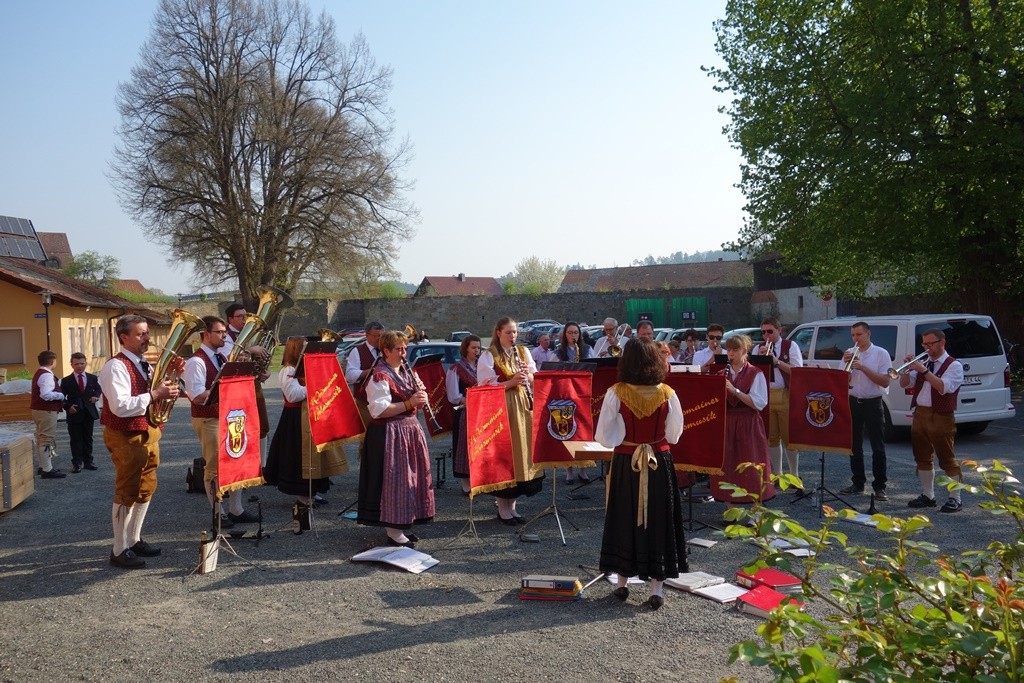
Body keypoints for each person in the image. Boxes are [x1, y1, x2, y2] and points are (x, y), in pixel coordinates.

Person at [596, 337, 687, 610]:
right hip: (659, 462)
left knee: (624, 517)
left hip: (627, 462)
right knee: (659, 519)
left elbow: (604, 437)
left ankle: (622, 583)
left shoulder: (616, 392)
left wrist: (625, 440)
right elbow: (674, 434)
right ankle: (656, 588)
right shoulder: (668, 393)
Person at [99, 314, 179, 568]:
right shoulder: (116, 366)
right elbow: (121, 406)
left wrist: (174, 378)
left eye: (147, 333)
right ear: (124, 337)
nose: (147, 338)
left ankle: (133, 539)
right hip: (125, 434)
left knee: (147, 486)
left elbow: (156, 396)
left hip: (148, 431)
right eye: (141, 334)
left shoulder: (143, 363)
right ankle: (119, 548)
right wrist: (155, 393)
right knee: (127, 489)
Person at [357, 330, 435, 547]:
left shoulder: (407, 372)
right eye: (399, 349)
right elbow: (378, 410)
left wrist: (422, 396)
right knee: (395, 482)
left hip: (409, 431)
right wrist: (409, 403)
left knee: (411, 480)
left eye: (405, 348)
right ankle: (393, 531)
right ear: (386, 351)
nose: (403, 353)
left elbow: (416, 397)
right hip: (389, 433)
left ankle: (404, 523)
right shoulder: (379, 375)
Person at [183, 315, 259, 529]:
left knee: (236, 461)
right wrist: (227, 389)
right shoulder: (196, 361)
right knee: (214, 466)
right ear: (205, 335)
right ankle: (218, 512)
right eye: (219, 332)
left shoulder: (221, 358)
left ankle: (237, 509)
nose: (225, 335)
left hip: (228, 415)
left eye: (225, 332)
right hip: (208, 417)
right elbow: (196, 395)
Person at [263, 336, 349, 515]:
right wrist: (317, 384)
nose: (307, 351)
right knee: (299, 457)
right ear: (295, 350)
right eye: (303, 348)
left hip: (311, 416)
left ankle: (314, 491)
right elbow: (293, 395)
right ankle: (302, 497)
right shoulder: (288, 369)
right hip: (295, 419)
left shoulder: (305, 368)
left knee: (317, 456)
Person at [478, 317, 544, 522]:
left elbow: (535, 375)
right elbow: (483, 386)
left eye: (515, 332)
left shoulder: (523, 352)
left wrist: (527, 377)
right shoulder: (488, 356)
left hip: (523, 405)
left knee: (522, 454)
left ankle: (513, 506)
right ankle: (502, 508)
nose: (513, 336)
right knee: (505, 455)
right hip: (502, 407)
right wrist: (510, 382)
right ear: (498, 333)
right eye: (508, 332)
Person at [899, 329, 965, 512]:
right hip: (920, 413)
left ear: (942, 342)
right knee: (922, 456)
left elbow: (944, 388)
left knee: (947, 458)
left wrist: (924, 370)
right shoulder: (925, 362)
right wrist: (906, 369)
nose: (927, 348)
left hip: (942, 415)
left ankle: (955, 498)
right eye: (924, 344)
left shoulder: (954, 365)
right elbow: (904, 383)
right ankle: (928, 495)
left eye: (930, 344)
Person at [710, 334, 775, 505]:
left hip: (748, 422)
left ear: (744, 351)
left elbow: (758, 404)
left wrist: (734, 390)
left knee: (751, 464)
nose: (730, 354)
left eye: (735, 350)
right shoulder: (720, 373)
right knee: (728, 466)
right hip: (728, 422)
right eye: (729, 350)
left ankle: (754, 512)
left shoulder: (755, 373)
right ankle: (729, 509)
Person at [839, 321, 892, 500]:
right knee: (854, 446)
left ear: (868, 334)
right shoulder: (849, 352)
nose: (856, 339)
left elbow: (885, 381)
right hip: (853, 401)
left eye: (859, 334)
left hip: (873, 402)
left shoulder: (880, 353)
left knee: (878, 446)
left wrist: (862, 367)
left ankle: (880, 487)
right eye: (853, 335)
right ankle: (858, 483)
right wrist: (847, 369)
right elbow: (841, 382)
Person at [754, 317, 803, 491]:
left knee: (789, 437)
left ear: (779, 331)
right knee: (772, 437)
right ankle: (778, 474)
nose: (765, 335)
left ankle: (795, 475)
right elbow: (753, 373)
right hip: (766, 395)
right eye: (763, 332)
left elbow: (797, 371)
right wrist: (759, 360)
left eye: (769, 331)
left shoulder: (791, 346)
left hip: (785, 394)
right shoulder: (757, 348)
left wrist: (776, 362)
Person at [555, 321, 593, 483]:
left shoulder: (587, 350)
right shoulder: (558, 352)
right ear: (565, 335)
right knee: (567, 431)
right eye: (570, 333)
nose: (573, 336)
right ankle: (569, 470)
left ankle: (583, 469)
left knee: (583, 432)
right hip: (566, 396)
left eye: (575, 333)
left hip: (583, 395)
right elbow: (551, 372)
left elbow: (593, 368)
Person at [446, 335, 482, 495]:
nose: (477, 350)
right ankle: (465, 483)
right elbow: (452, 395)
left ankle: (479, 479)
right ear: (466, 348)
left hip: (482, 411)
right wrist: (468, 399)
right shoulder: (456, 368)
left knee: (480, 446)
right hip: (464, 412)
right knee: (464, 447)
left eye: (479, 347)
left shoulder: (483, 366)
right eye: (473, 347)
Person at [61, 352, 101, 473]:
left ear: (86, 363)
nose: (79, 366)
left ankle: (88, 461)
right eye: (76, 364)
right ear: (71, 364)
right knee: (76, 439)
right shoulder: (66, 380)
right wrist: (68, 406)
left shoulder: (92, 378)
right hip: (74, 413)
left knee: (88, 438)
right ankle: (77, 463)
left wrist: (96, 396)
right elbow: (61, 396)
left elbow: (98, 389)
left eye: (82, 363)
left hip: (89, 412)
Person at [31, 350, 66, 479]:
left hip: (38, 409)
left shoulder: (39, 373)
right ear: (52, 362)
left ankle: (43, 466)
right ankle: (47, 469)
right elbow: (45, 394)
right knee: (46, 438)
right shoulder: (46, 375)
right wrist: (61, 395)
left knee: (40, 437)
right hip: (46, 410)